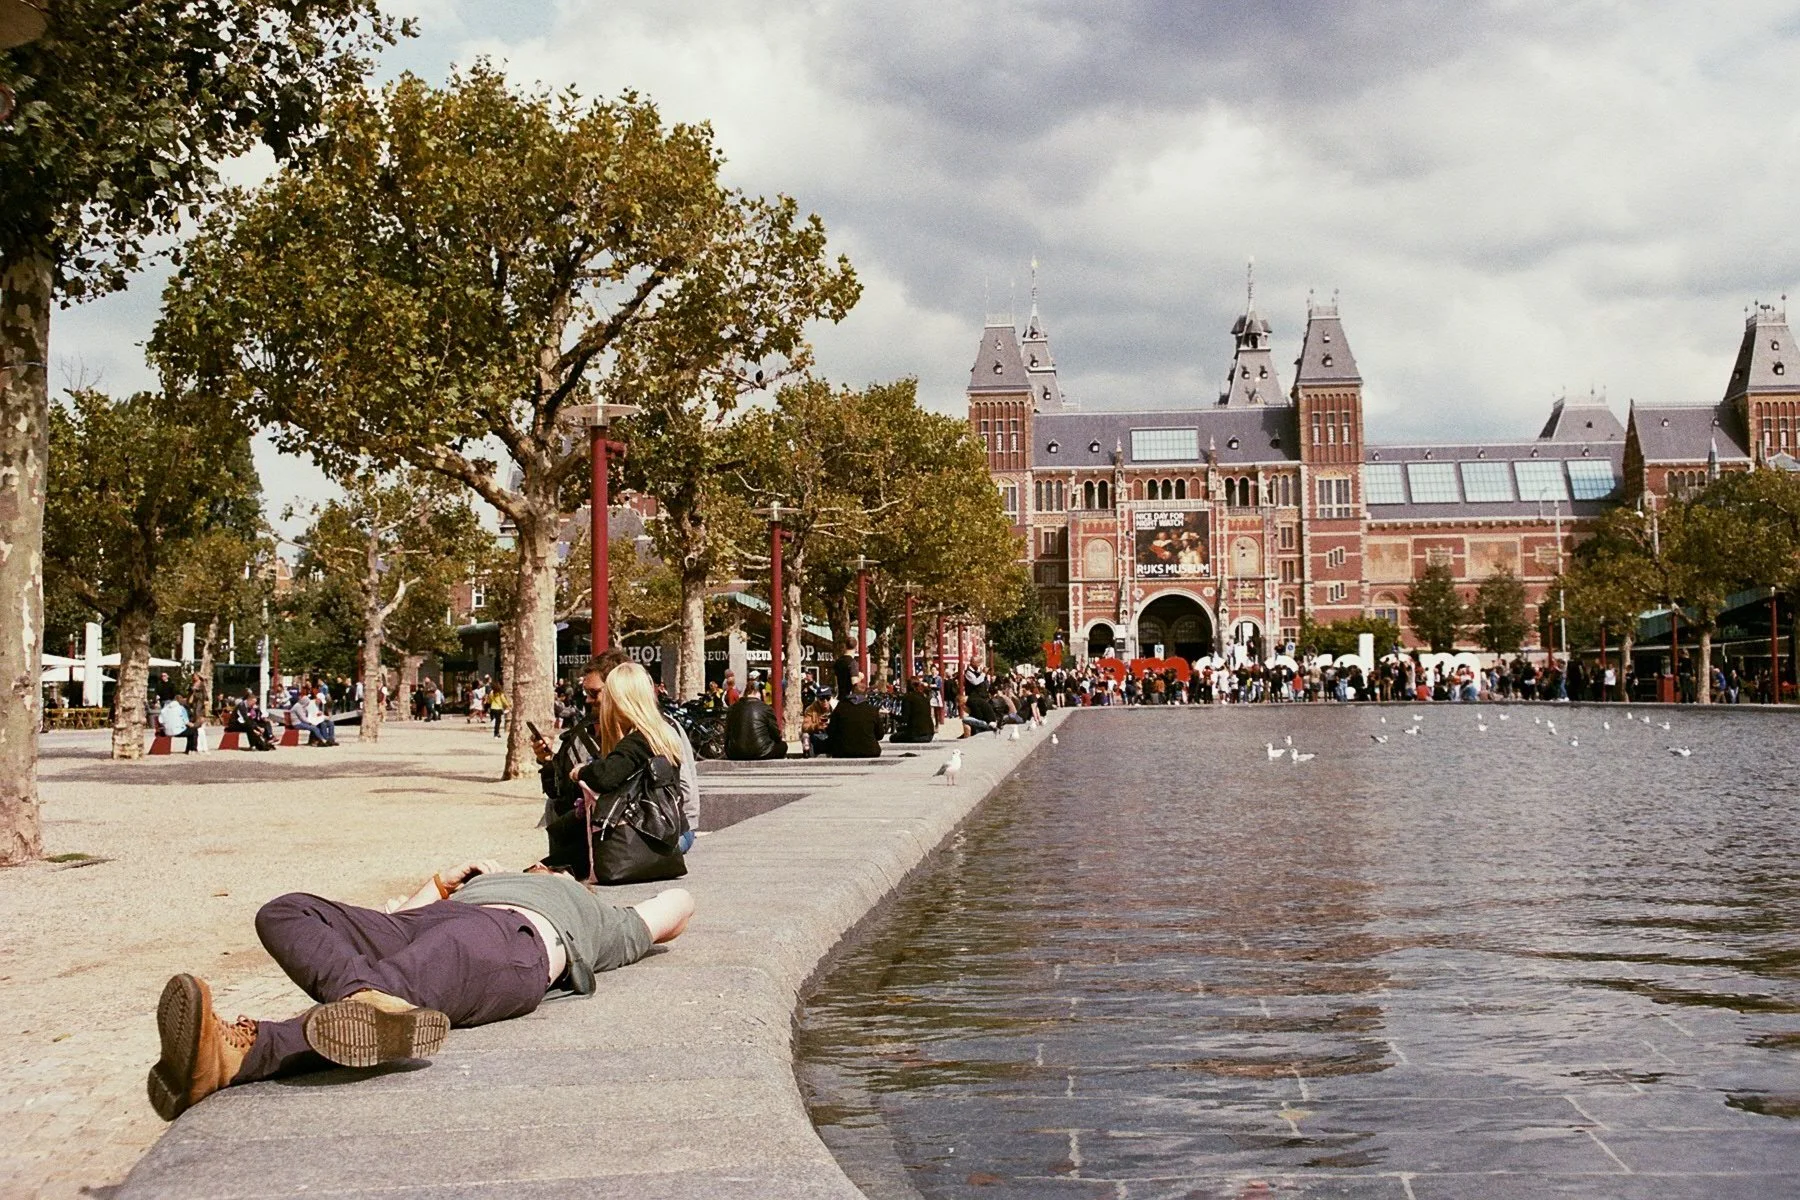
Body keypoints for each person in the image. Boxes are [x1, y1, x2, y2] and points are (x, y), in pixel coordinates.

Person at [145, 858, 693, 1122]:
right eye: (540, 864)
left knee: (426, 963)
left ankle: (239, 1054)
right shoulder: (476, 884)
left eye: (553, 868)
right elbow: (386, 931)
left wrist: (595, 898)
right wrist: (441, 882)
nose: (543, 866)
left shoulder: (595, 914)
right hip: (430, 923)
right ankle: (368, 1002)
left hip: (512, 942)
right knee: (286, 910)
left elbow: (676, 906)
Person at [544, 662, 689, 872]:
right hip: (662, 833)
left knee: (546, 866)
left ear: (620, 702)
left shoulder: (637, 741)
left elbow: (606, 776)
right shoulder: (662, 735)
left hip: (632, 839)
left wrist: (581, 771)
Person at [724, 680, 787, 760]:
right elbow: (776, 734)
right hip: (762, 751)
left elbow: (727, 733)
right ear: (758, 693)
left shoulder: (733, 708)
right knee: (783, 746)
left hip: (735, 752)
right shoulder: (766, 708)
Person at [826, 672, 885, 758]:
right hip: (869, 750)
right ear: (865, 694)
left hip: (843, 750)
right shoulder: (872, 710)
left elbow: (831, 731)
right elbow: (880, 735)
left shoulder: (840, 708)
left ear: (851, 692)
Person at [888, 676, 937, 744]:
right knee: (902, 729)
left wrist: (891, 715)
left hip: (917, 734)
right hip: (929, 732)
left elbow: (904, 719)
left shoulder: (908, 698)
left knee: (893, 737)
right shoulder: (924, 697)